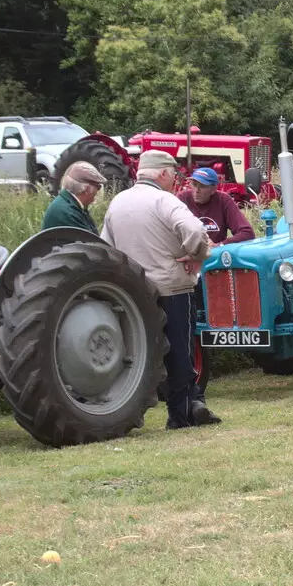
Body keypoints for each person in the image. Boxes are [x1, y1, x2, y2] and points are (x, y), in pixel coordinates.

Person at [101, 150, 215, 430]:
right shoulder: (165, 201)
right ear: (163, 174)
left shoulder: (117, 202)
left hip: (133, 295)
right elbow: (197, 232)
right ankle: (182, 414)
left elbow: (104, 245)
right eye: (174, 175)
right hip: (171, 288)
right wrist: (197, 256)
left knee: (139, 353)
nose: (176, 181)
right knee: (180, 353)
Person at [177, 166, 255, 245]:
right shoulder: (183, 198)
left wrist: (220, 245)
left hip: (214, 254)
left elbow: (247, 233)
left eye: (202, 186)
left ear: (213, 189)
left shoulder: (223, 200)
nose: (197, 190)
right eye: (194, 184)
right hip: (186, 252)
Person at [41, 162, 106, 233]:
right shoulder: (67, 213)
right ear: (87, 189)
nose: (98, 191)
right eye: (98, 187)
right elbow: (90, 241)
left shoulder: (71, 205)